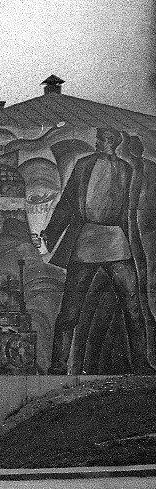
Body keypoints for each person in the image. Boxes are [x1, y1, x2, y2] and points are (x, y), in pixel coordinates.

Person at [39, 128, 153, 374]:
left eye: (101, 138)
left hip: (116, 242)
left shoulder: (127, 169)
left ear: (112, 141)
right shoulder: (84, 165)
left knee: (133, 307)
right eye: (98, 138)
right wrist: (51, 233)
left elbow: (129, 212)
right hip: (86, 241)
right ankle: (58, 366)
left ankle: (141, 364)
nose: (97, 141)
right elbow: (67, 202)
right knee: (70, 309)